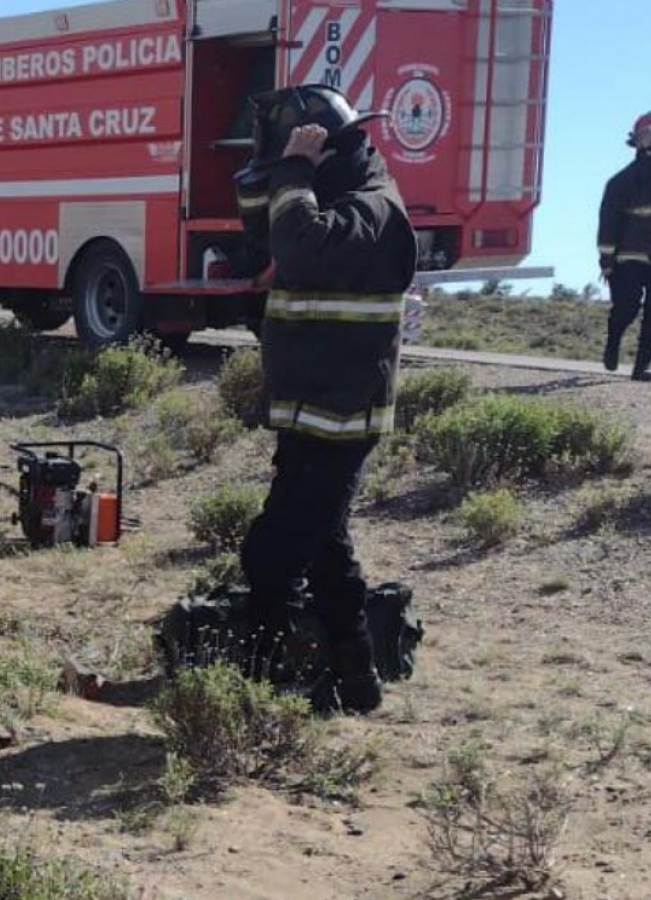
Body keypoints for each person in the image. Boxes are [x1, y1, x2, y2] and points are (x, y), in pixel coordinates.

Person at [233, 85, 417, 715]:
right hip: (313, 410)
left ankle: (255, 687)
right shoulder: (327, 194)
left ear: (324, 149)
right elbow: (262, 233)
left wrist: (294, 171)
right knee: (326, 549)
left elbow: (298, 247)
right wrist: (280, 170)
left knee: (272, 553)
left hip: (341, 417)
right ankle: (356, 680)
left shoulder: (371, 209)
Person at [598, 112, 651, 381]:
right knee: (627, 306)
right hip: (630, 258)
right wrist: (607, 262)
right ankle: (614, 340)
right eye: (648, 135)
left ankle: (642, 366)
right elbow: (608, 224)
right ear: (637, 141)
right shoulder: (620, 183)